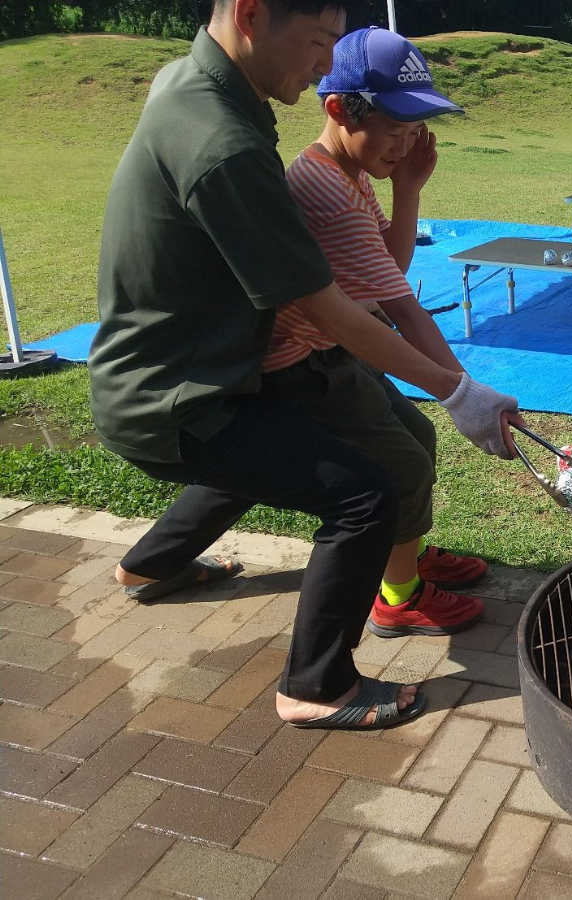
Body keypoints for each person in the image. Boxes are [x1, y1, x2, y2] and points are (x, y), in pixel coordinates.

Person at [88, 0, 520, 730]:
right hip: (185, 393)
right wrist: (459, 391)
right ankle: (317, 685)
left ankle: (148, 566)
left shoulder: (207, 92)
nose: (324, 60)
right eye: (319, 40)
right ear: (253, 14)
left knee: (263, 468)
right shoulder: (222, 139)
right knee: (361, 496)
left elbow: (367, 280)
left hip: (210, 373)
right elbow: (334, 306)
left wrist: (405, 193)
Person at [259, 26, 489, 639]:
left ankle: (404, 554)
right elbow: (403, 308)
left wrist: (406, 189)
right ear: (339, 110)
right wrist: (466, 393)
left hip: (330, 352)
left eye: (417, 131)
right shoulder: (327, 194)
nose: (406, 144)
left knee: (414, 436)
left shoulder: (344, 173)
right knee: (405, 464)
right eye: (396, 131)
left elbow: (386, 265)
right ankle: (398, 596)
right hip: (300, 367)